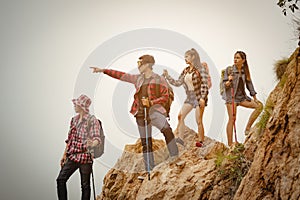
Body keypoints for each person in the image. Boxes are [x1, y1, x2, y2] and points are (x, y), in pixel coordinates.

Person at [90, 55, 178, 173]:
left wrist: (151, 102)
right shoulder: (138, 79)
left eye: (140, 63)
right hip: (140, 114)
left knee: (167, 130)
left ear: (148, 64)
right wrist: (103, 70)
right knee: (146, 142)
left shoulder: (159, 79)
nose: (138, 66)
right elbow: (121, 75)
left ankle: (174, 156)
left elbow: (165, 96)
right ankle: (149, 170)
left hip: (155, 112)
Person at [56, 94, 101, 200]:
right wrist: (64, 155)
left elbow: (97, 139)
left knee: (85, 186)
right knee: (60, 179)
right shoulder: (73, 120)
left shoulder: (92, 120)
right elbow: (70, 139)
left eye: (76, 104)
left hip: (85, 157)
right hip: (72, 156)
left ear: (81, 106)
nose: (74, 106)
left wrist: (92, 144)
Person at [163, 48, 209, 147]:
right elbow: (177, 83)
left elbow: (205, 84)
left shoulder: (201, 69)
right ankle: (180, 139)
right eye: (185, 56)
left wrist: (203, 98)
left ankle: (201, 142)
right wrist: (167, 76)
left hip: (199, 96)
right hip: (190, 97)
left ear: (193, 57)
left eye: (187, 56)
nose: (185, 58)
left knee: (199, 120)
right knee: (180, 116)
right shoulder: (186, 71)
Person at [222, 51, 263, 146]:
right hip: (231, 98)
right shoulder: (229, 70)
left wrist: (254, 97)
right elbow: (224, 85)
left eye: (238, 58)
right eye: (234, 57)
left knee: (259, 106)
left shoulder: (245, 71)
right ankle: (230, 143)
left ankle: (248, 128)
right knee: (232, 119)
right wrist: (229, 81)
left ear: (243, 60)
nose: (235, 59)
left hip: (241, 97)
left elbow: (249, 85)